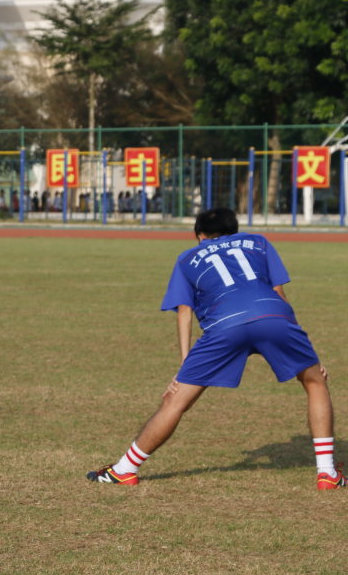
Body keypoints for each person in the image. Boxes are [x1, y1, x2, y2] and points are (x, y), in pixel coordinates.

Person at [88, 207, 344, 489]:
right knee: (315, 382)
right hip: (273, 316)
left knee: (176, 401)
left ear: (200, 236)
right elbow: (279, 294)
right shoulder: (258, 242)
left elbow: (184, 311)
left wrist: (185, 365)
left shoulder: (187, 258)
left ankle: (124, 469)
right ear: (235, 230)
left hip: (225, 325)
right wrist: (306, 352)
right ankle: (326, 473)